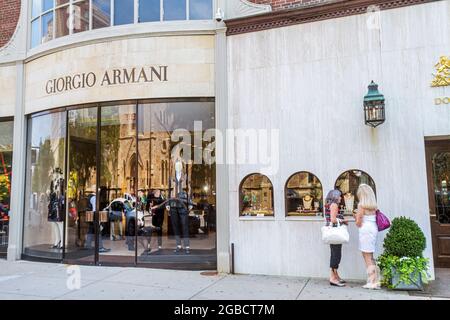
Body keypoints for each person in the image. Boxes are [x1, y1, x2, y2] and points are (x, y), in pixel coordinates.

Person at [355, 184, 381, 290]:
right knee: (370, 255)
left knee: (367, 256)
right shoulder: (374, 206)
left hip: (365, 230)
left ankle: (372, 281)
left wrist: (356, 217)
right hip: (373, 229)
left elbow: (358, 223)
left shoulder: (361, 205)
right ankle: (375, 280)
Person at [325, 189, 347, 287]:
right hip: (335, 233)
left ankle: (336, 275)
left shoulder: (329, 205)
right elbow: (333, 220)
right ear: (335, 197)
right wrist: (343, 221)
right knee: (336, 255)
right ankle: (333, 278)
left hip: (333, 233)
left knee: (335, 254)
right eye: (339, 196)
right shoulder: (334, 205)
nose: (341, 198)